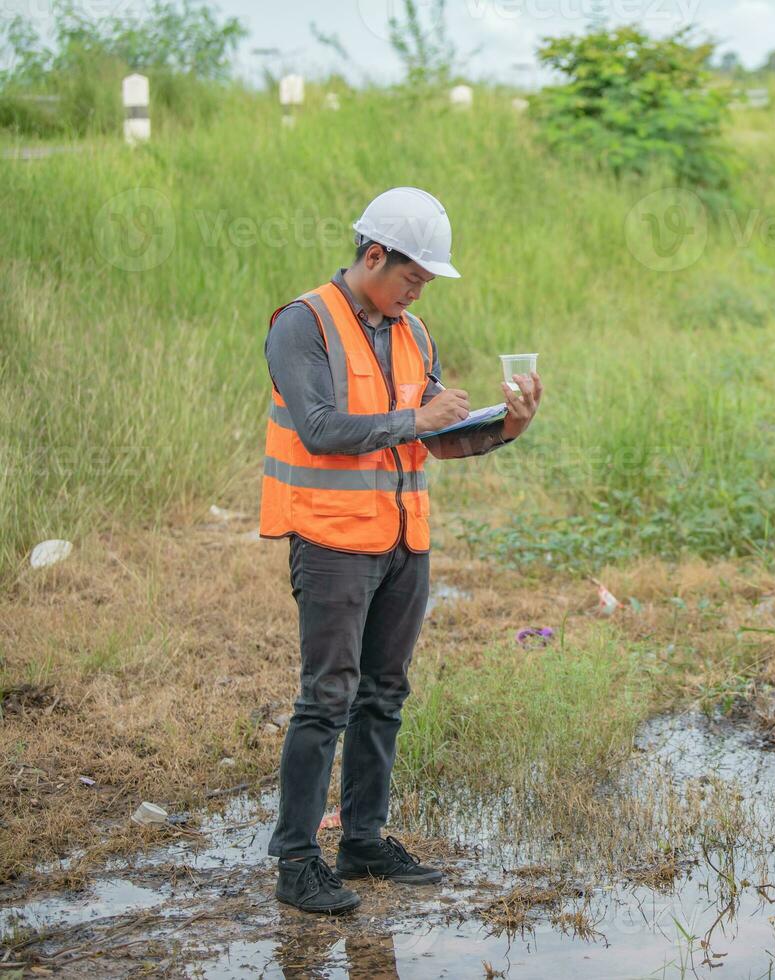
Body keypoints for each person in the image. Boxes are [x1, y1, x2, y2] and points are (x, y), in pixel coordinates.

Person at [259, 186, 543, 914]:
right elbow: (321, 428)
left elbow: (434, 437)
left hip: (402, 541)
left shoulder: (413, 334)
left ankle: (361, 842)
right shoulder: (303, 324)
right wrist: (414, 415)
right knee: (327, 699)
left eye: (424, 283)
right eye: (410, 277)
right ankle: (296, 863)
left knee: (382, 696)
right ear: (374, 255)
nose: (416, 293)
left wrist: (506, 425)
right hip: (331, 542)